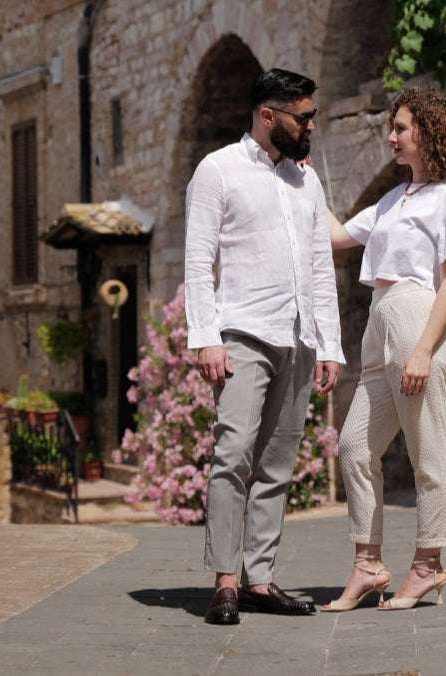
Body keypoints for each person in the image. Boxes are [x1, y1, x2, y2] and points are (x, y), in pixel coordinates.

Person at [184, 67, 344, 626]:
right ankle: (225, 584)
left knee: (277, 464)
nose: (311, 126)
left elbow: (320, 266)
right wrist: (205, 337)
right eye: (304, 117)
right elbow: (197, 260)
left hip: (298, 338)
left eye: (313, 116)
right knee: (232, 455)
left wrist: (329, 343)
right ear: (268, 115)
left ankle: (259, 580)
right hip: (243, 334)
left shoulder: (307, 182)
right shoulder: (218, 170)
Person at [322, 87, 446, 612]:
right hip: (380, 323)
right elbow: (337, 235)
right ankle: (368, 565)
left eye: (401, 128)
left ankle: (428, 565)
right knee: (354, 447)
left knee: (427, 451)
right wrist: (303, 180)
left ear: (427, 133)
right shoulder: (393, 200)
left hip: (418, 322)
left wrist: (423, 350)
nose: (392, 136)